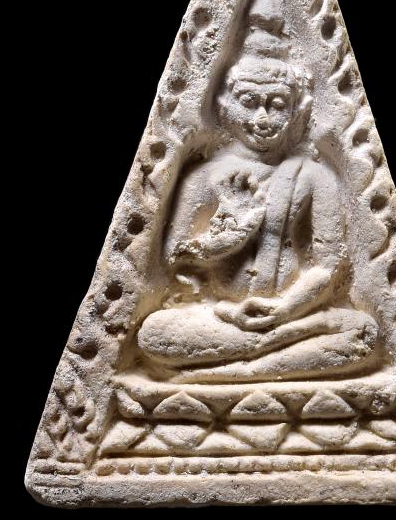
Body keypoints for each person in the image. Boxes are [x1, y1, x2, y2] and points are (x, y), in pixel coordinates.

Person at [137, 55, 379, 382]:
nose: (262, 118)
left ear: (297, 111)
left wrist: (285, 309)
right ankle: (266, 363)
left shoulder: (314, 176)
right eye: (248, 103)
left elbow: (328, 265)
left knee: (361, 331)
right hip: (222, 317)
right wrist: (226, 240)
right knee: (155, 333)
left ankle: (225, 372)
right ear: (224, 107)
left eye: (277, 105)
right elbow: (174, 259)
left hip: (293, 316)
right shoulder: (204, 177)